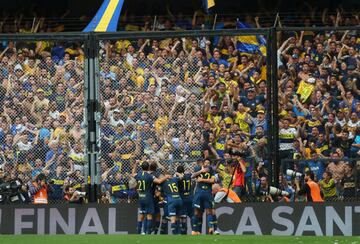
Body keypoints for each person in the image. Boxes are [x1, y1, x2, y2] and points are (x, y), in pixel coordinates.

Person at [133, 161, 169, 234]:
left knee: (141, 215)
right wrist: (166, 176)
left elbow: (133, 173)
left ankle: (138, 232)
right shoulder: (149, 176)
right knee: (149, 215)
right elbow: (159, 181)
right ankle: (148, 233)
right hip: (148, 197)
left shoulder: (138, 174)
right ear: (148, 167)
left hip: (141, 197)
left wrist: (136, 164)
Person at [191, 159, 215, 235]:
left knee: (208, 211)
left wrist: (202, 180)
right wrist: (201, 171)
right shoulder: (198, 169)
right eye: (206, 162)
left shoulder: (211, 170)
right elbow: (192, 176)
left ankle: (210, 228)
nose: (207, 164)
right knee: (197, 212)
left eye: (208, 162)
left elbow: (212, 181)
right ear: (203, 163)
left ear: (210, 164)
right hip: (199, 193)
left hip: (206, 193)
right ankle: (196, 231)